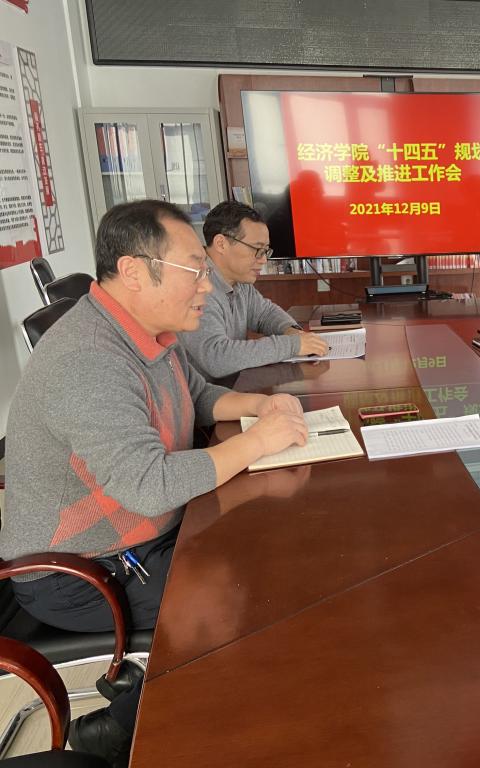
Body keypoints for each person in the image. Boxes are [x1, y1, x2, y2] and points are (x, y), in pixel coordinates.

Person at [0, 200, 311, 765]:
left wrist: (259, 406)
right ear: (134, 272)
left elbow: (198, 394)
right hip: (81, 568)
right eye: (194, 269)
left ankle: (133, 709)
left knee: (266, 552)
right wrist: (257, 443)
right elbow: (147, 484)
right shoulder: (87, 359)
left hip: (140, 536)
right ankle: (134, 730)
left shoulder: (146, 332)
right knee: (253, 601)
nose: (206, 286)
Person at [179, 200, 328, 380]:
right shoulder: (197, 286)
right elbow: (217, 356)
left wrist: (292, 331)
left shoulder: (239, 282)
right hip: (207, 396)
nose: (263, 260)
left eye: (265, 251)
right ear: (221, 244)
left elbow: (265, 314)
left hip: (232, 388)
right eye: (257, 249)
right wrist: (292, 345)